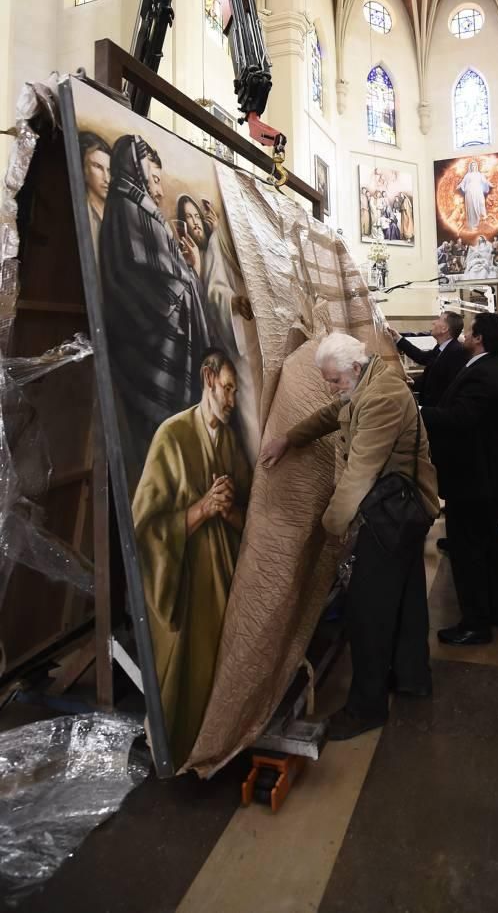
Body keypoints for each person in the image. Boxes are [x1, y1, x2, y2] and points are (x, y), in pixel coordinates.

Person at [260, 333, 439, 740]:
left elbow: (360, 472)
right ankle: (412, 677)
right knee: (407, 599)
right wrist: (289, 438)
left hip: (393, 514)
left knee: (367, 612)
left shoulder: (381, 397)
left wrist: (330, 527)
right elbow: (333, 413)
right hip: (405, 510)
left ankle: (366, 708)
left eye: (336, 379)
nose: (333, 387)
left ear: (355, 369)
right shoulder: (368, 382)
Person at [132, 349, 251, 770]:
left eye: (236, 391)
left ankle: (219, 747)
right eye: (227, 389)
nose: (232, 401)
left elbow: (247, 518)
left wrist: (229, 509)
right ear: (207, 378)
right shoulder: (172, 436)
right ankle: (182, 754)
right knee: (187, 676)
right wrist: (201, 509)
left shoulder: (233, 441)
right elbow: (144, 529)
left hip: (227, 581)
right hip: (187, 584)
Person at [99, 135, 210, 484]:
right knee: (160, 433)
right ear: (137, 164)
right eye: (155, 178)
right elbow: (158, 285)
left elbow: (166, 270)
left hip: (145, 341)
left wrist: (187, 270)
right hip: (147, 345)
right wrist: (192, 273)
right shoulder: (131, 209)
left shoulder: (129, 207)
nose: (159, 191)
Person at [421, 312, 498, 646]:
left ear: (477, 338)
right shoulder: (489, 366)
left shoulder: (484, 371)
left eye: (470, 329)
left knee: (468, 551)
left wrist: (416, 412)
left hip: (474, 477)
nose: (465, 332)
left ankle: (475, 623)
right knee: (490, 544)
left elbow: (461, 418)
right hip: (483, 475)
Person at [176, 194, 260, 465]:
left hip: (262, 342)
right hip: (240, 341)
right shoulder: (219, 240)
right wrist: (233, 302)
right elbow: (213, 291)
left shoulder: (254, 240)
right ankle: (259, 464)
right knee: (251, 414)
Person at [387, 311, 467, 408]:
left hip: (438, 413)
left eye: (438, 320)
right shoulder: (441, 348)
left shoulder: (456, 352)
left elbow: (444, 387)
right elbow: (422, 358)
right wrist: (399, 339)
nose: (433, 322)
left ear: (444, 329)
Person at [78, 131, 111, 264]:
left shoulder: (118, 217)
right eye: (97, 167)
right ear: (83, 169)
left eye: (109, 170)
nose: (107, 179)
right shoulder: (81, 215)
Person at [457, 160, 491, 231]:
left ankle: (481, 220)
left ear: (476, 166)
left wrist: (490, 184)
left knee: (481, 203)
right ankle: (472, 224)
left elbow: (485, 181)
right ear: (470, 167)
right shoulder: (468, 175)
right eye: (472, 166)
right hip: (469, 192)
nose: (473, 167)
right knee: (471, 206)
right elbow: (463, 182)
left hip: (478, 191)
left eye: (475, 165)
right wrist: (459, 186)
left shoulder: (479, 174)